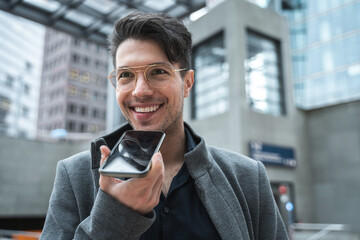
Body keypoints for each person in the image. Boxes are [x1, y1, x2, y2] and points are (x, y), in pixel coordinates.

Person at [41, 11, 289, 240]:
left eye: (158, 71)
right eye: (125, 75)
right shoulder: (75, 177)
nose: (140, 91)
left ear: (188, 83)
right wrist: (114, 215)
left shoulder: (248, 177)